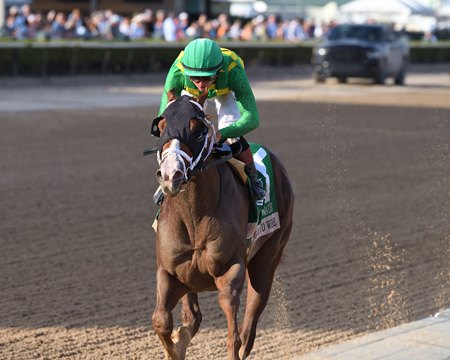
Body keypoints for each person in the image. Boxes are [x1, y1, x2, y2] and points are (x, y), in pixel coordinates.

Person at [153, 38, 265, 205]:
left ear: (218, 71)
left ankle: (253, 177)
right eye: (194, 78)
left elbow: (252, 119)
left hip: (225, 93)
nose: (201, 84)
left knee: (230, 130)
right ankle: (168, 175)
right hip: (189, 96)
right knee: (177, 133)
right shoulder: (177, 71)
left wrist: (222, 133)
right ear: (186, 72)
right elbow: (164, 117)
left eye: (207, 78)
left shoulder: (233, 69)